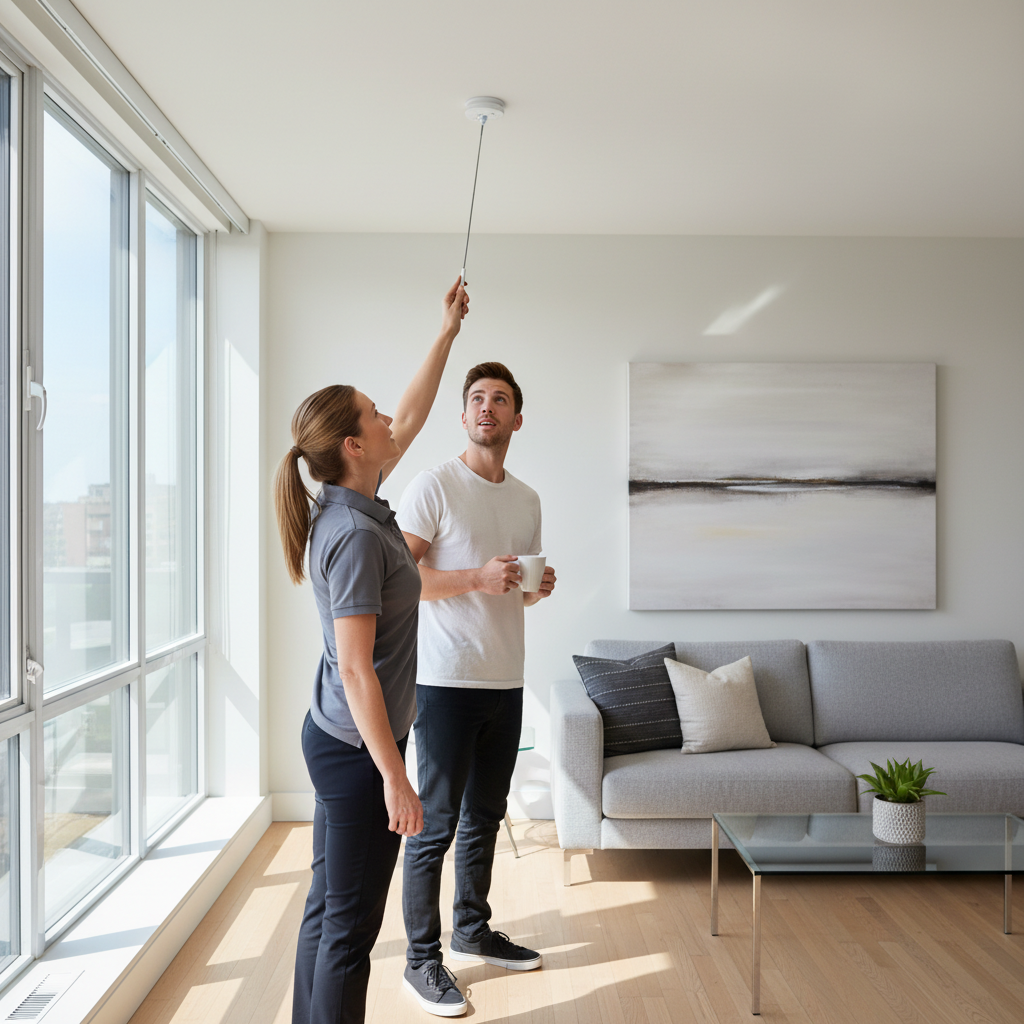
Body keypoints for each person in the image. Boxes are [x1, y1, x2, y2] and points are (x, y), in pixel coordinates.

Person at [275, 278, 469, 1024]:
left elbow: (413, 413)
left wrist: (446, 331)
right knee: (350, 931)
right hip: (359, 752)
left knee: (328, 910)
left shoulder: (352, 500)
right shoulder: (354, 535)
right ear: (355, 445)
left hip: (342, 739)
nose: (391, 417)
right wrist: (396, 777)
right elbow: (357, 668)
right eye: (374, 413)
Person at [398, 362, 557, 1016]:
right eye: (476, 399)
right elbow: (400, 581)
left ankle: (471, 928)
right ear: (462, 416)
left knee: (485, 818)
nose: (487, 408)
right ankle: (420, 961)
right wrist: (474, 578)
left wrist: (533, 589)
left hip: (505, 679)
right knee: (432, 827)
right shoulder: (434, 486)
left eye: (500, 400)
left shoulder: (526, 500)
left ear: (517, 419)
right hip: (443, 683)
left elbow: (513, 590)